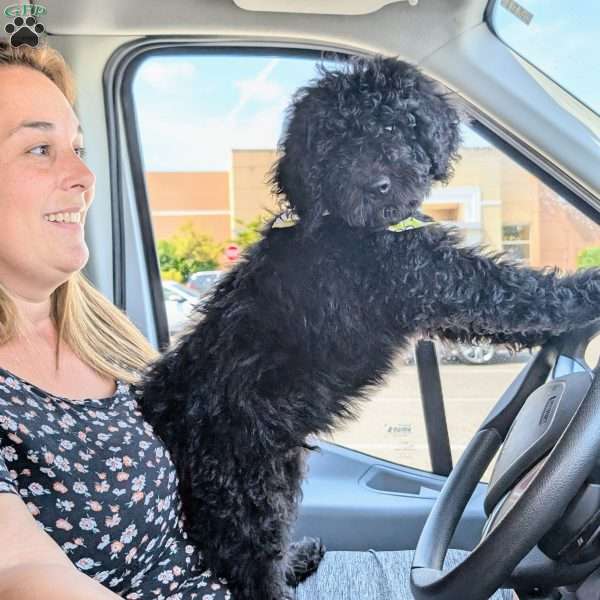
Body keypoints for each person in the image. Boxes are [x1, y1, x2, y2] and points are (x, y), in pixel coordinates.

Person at [0, 40, 512, 600]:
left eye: (78, 146)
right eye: (38, 149)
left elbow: (212, 461)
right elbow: (20, 570)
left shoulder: (100, 337)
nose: (82, 175)